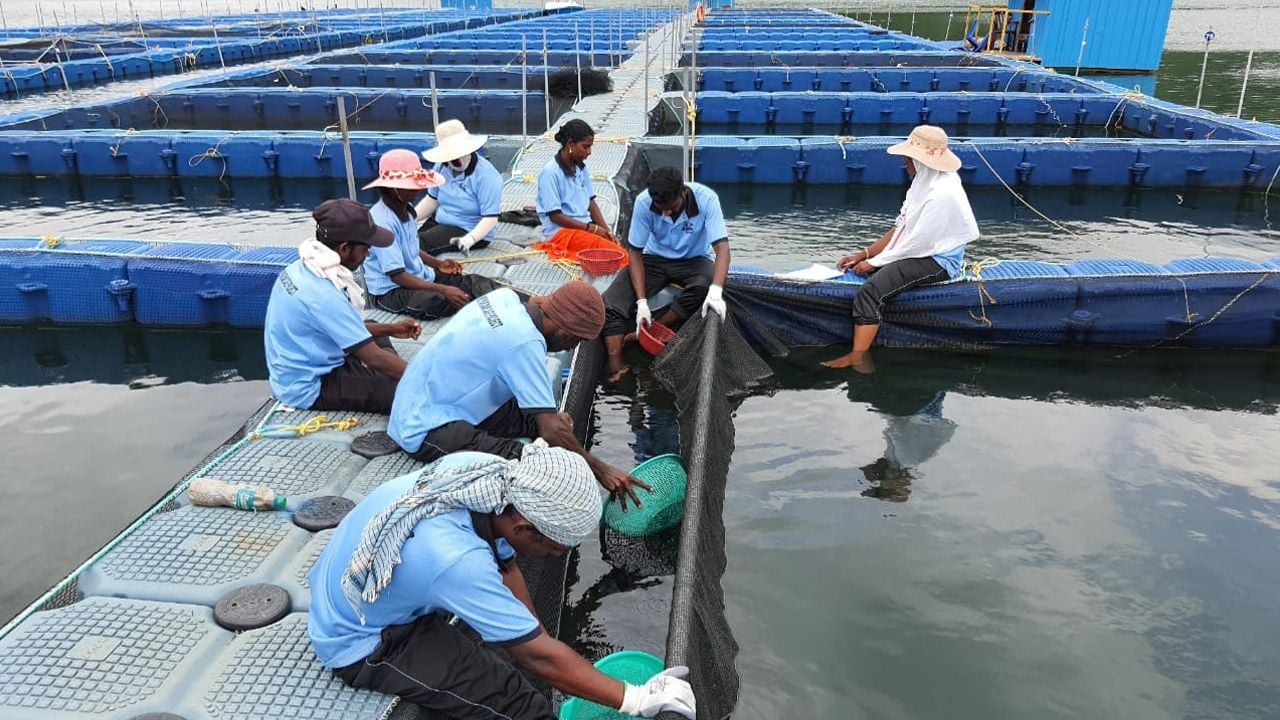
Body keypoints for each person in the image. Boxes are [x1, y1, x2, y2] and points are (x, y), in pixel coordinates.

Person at [308, 442, 697, 720]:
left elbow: (507, 567)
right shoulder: (457, 559)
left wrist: (535, 634)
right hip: (362, 638)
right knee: (521, 706)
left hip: (363, 582)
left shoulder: (488, 474)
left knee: (520, 649)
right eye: (555, 550)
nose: (557, 556)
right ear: (526, 528)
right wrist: (635, 698)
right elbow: (535, 656)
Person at [389, 281, 650, 507]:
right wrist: (602, 470)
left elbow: (547, 422)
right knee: (531, 462)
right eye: (575, 340)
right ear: (562, 327)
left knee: (550, 424)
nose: (572, 346)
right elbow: (550, 431)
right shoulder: (525, 343)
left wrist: (556, 427)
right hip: (424, 426)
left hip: (441, 397)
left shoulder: (505, 299)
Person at [822, 125, 979, 372]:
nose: (905, 163)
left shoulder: (942, 194)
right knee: (870, 271)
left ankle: (858, 356)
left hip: (938, 260)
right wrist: (864, 254)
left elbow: (919, 244)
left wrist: (873, 264)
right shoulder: (924, 184)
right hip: (921, 249)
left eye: (909, 158)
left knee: (870, 291)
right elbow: (901, 230)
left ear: (921, 161)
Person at [264, 198, 421, 414]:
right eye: (365, 249)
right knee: (409, 392)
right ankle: (390, 373)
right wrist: (426, 380)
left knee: (373, 326)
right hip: (310, 386)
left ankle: (388, 368)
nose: (368, 255)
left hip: (297, 366)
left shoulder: (301, 267)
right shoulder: (323, 294)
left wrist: (393, 329)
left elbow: (339, 325)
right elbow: (373, 358)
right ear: (345, 248)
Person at [601, 167, 730, 380]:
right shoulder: (644, 202)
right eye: (660, 209)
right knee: (611, 302)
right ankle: (616, 366)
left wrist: (716, 291)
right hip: (654, 259)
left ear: (683, 193)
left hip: (694, 260)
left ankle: (654, 328)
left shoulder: (707, 199)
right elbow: (634, 252)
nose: (665, 213)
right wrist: (642, 301)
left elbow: (722, 248)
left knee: (704, 286)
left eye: (672, 207)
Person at [363, 149, 501, 320]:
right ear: (393, 189)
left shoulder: (406, 210)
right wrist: (442, 289)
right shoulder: (383, 222)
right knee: (437, 300)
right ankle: (486, 308)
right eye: (412, 186)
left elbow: (411, 247)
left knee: (472, 282)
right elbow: (398, 276)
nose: (418, 191)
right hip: (391, 291)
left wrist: (437, 263)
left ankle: (527, 301)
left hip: (420, 275)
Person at [416, 119, 503, 255]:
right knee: (407, 238)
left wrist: (470, 239)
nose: (459, 159)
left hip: (467, 228)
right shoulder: (440, 167)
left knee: (419, 245)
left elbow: (490, 218)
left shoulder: (487, 176)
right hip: (441, 219)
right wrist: (409, 219)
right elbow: (432, 200)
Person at [535, 119, 617, 243]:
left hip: (583, 228)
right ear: (570, 145)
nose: (589, 152)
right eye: (586, 147)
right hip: (560, 232)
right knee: (612, 253)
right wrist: (591, 228)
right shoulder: (550, 173)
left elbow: (590, 202)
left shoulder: (581, 168)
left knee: (615, 245)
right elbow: (555, 216)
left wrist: (607, 231)